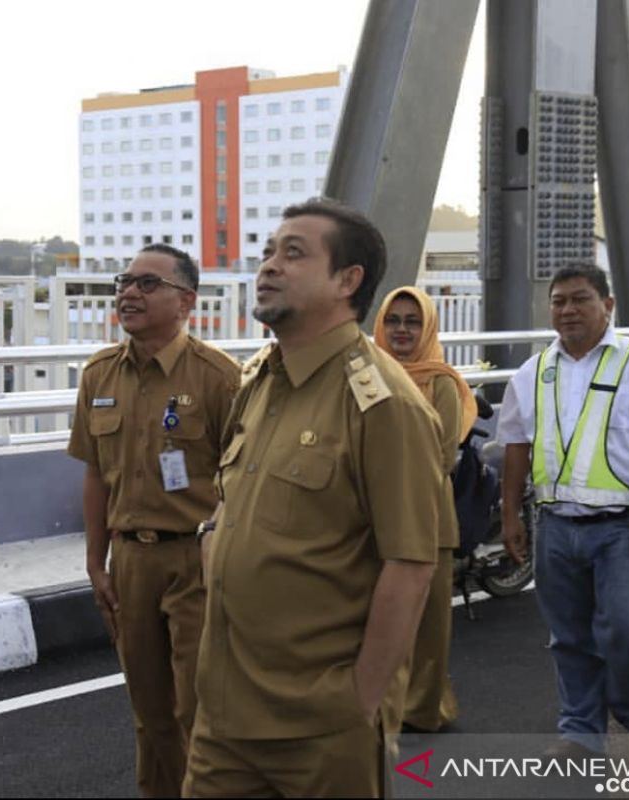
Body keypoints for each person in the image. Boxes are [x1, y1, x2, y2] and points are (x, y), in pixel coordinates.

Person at [184, 199, 444, 798]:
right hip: (223, 717)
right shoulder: (256, 382)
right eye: (270, 251)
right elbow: (229, 501)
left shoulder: (385, 405)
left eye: (293, 253)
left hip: (321, 729)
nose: (269, 265)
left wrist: (360, 699)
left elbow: (410, 564)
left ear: (347, 281)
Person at [66, 244, 239, 798]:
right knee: (150, 713)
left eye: (147, 283)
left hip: (197, 561)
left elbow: (241, 481)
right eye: (125, 281)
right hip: (131, 561)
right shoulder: (99, 374)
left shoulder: (219, 378)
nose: (128, 293)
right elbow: (96, 473)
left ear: (185, 300)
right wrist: (96, 562)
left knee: (198, 708)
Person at [499, 264, 629, 762]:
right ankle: (580, 730)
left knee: (626, 628)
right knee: (569, 636)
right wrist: (511, 516)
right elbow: (515, 444)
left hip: (622, 526)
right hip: (554, 525)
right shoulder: (532, 371)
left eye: (580, 299)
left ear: (608, 305)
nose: (567, 309)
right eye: (558, 301)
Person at [372, 286, 477, 734]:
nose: (401, 330)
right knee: (369, 620)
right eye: (393, 320)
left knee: (427, 622)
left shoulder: (441, 382)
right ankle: (376, 705)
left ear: (428, 327)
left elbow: (443, 456)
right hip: (365, 519)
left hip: (426, 517)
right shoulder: (363, 373)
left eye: (412, 322)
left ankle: (423, 707)